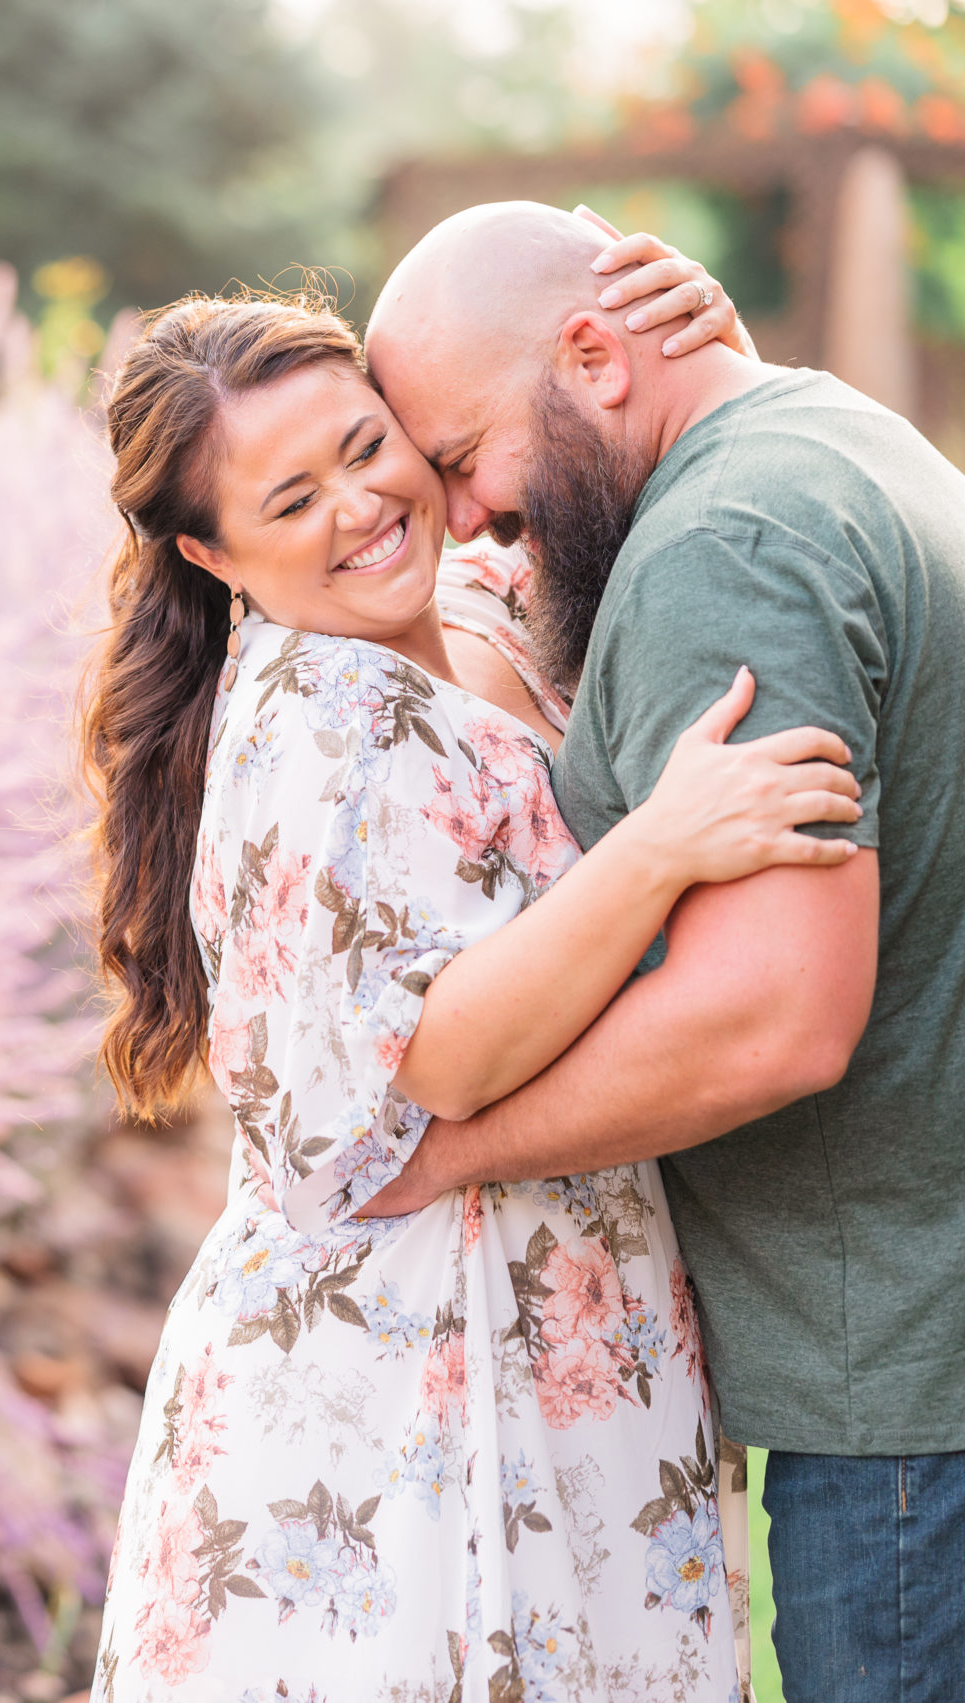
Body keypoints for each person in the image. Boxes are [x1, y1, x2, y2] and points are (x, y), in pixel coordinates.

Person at [76, 246, 863, 1699]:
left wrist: (708, 343)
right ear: (213, 557)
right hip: (402, 1368)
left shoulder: (485, 605)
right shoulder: (318, 725)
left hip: (558, 1297)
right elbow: (439, 1059)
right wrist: (663, 849)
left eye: (366, 447)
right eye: (289, 503)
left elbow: (591, 448)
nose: (362, 510)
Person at [361, 201, 965, 1701]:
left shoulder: (722, 550)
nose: (466, 516)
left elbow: (772, 1018)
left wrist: (456, 1147)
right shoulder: (826, 436)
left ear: (593, 353)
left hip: (891, 1389)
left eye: (456, 458)